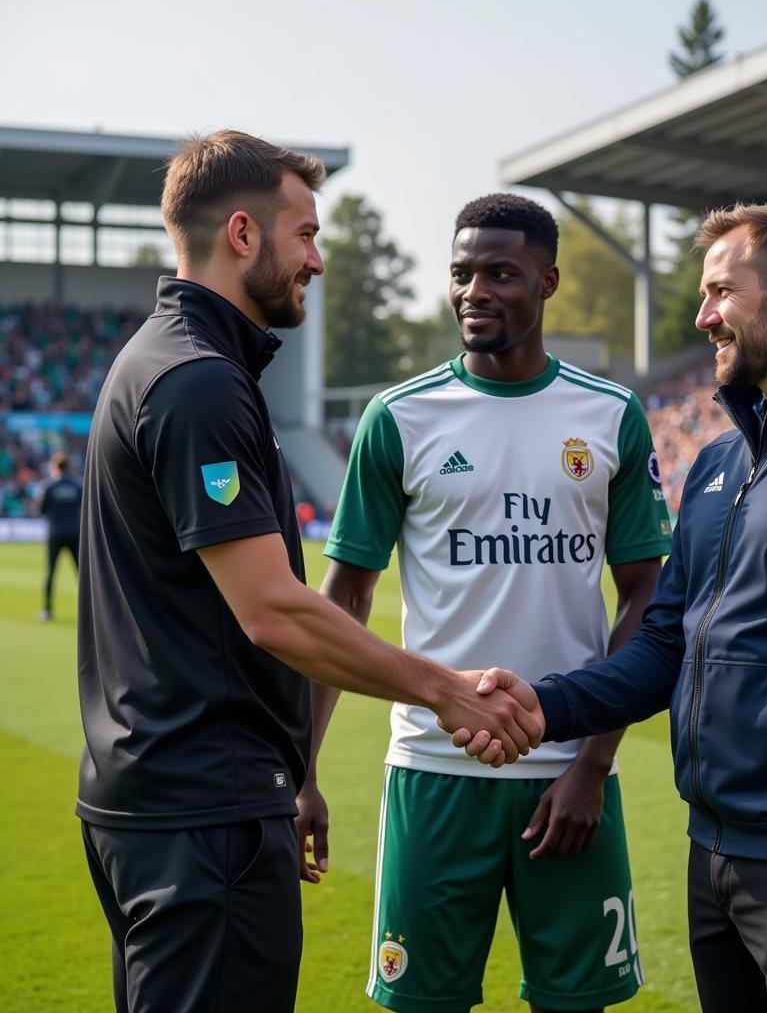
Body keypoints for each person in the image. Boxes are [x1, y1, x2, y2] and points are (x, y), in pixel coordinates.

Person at [457, 202, 767, 1013]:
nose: (702, 317)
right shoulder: (721, 458)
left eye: (721, 292)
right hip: (716, 851)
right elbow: (667, 643)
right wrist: (543, 706)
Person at [76, 133, 541, 1013]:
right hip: (202, 813)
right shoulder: (195, 380)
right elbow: (275, 613)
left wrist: (294, 770)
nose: (317, 262)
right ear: (243, 235)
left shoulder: (162, 359)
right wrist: (444, 690)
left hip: (163, 800)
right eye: (306, 236)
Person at [298, 193, 672, 1013]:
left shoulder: (609, 416)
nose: (476, 291)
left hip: (568, 774)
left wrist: (592, 764)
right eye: (463, 274)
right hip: (435, 773)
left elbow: (647, 596)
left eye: (501, 273)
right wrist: (304, 767)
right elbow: (344, 600)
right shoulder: (398, 418)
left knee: (576, 1002)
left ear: (548, 281)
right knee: (422, 1003)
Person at [37, 451, 82, 620]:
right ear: (68, 466)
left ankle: (47, 610)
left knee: (51, 572)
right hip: (75, 533)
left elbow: (41, 509)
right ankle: (88, 610)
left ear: (55, 466)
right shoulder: (77, 485)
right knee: (81, 574)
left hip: (55, 533)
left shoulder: (49, 486)